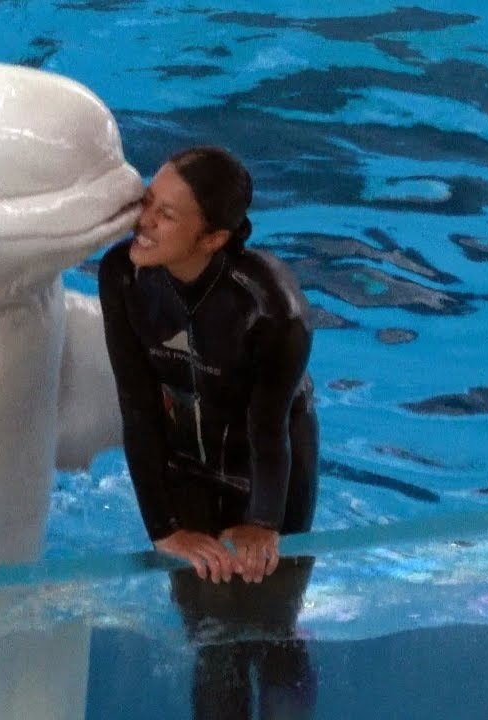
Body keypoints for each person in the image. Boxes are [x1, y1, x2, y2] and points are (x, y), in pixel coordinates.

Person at [97, 145, 319, 719]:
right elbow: (138, 406)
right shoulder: (123, 276)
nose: (144, 221)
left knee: (270, 625)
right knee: (212, 632)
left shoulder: (272, 310)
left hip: (272, 456)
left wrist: (262, 522)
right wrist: (164, 528)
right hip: (186, 455)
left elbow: (268, 428)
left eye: (166, 214)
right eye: (148, 201)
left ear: (213, 238)